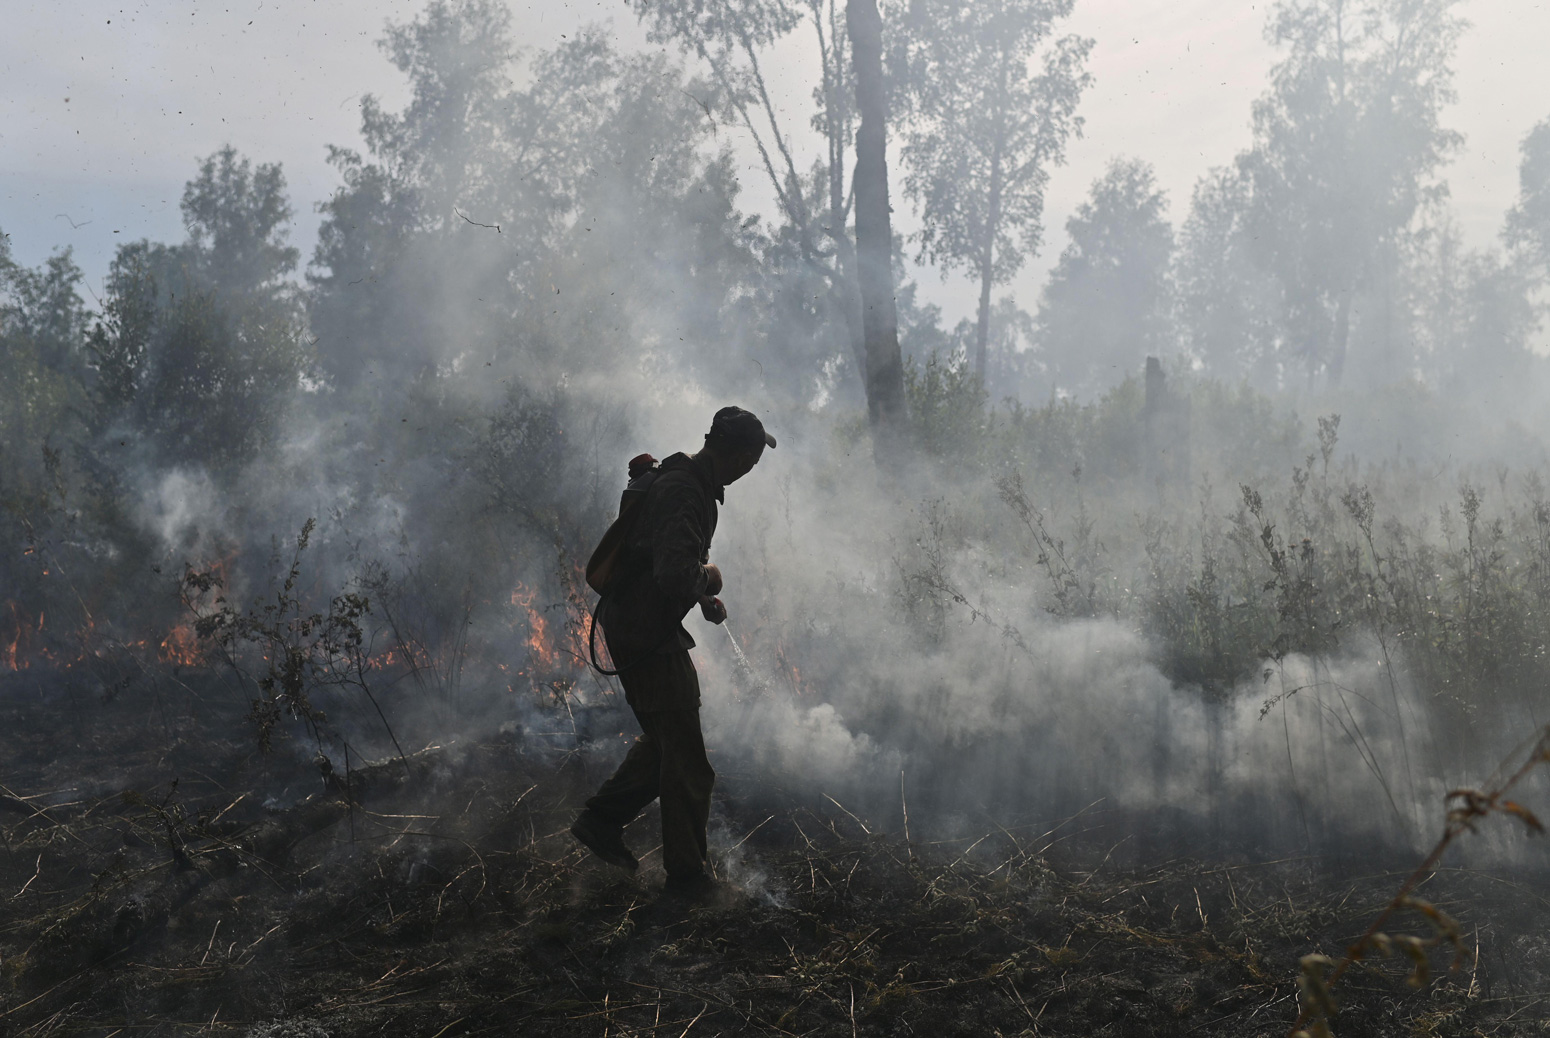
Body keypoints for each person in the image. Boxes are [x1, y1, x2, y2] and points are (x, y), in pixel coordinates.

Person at [571, 406, 775, 894]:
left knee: (667, 742)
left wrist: (699, 598)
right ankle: (687, 878)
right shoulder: (686, 490)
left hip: (643, 627)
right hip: (647, 635)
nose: (753, 468)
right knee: (687, 763)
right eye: (752, 458)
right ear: (739, 456)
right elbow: (671, 574)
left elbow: (657, 560)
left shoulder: (685, 478)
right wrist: (708, 578)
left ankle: (602, 820)